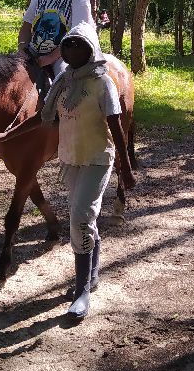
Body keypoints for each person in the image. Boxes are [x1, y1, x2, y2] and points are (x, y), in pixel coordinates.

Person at [41, 23, 135, 322]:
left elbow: (117, 128)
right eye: (67, 46)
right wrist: (7, 135)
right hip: (70, 159)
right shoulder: (63, 81)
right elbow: (46, 117)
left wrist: (126, 168)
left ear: (91, 50)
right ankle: (92, 274)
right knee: (85, 219)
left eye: (78, 45)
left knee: (79, 218)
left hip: (97, 159)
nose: (71, 51)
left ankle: (81, 290)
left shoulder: (102, 83)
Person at [19, 0, 95, 99]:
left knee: (65, 82)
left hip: (63, 55)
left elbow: (77, 37)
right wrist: (22, 50)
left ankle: (63, 119)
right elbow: (26, 25)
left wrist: (48, 59)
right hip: (33, 51)